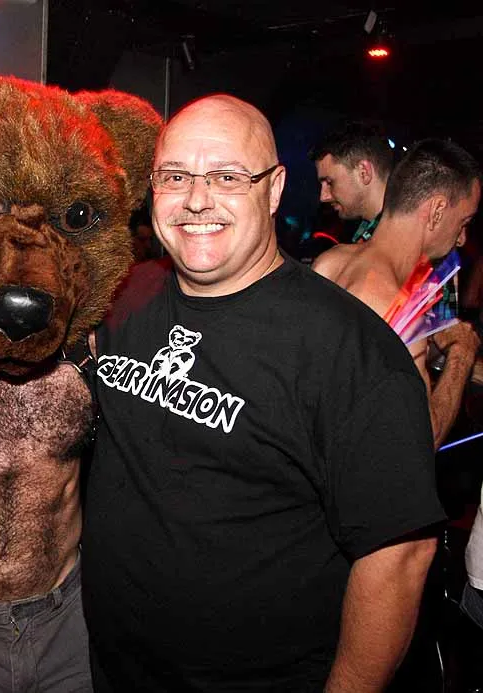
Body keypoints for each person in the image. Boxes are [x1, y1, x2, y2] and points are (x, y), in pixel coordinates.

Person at [83, 95, 445, 692]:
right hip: (114, 669)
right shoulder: (125, 295)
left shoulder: (351, 352)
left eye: (227, 177)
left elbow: (399, 558)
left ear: (274, 190)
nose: (196, 200)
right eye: (175, 176)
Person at [312, 139, 482, 448]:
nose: (461, 239)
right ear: (437, 211)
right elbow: (421, 440)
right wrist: (463, 352)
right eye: (463, 222)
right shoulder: (403, 315)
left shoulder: (329, 262)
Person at [310, 120, 394, 242]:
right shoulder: (368, 235)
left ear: (363, 172)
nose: (323, 197)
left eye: (329, 182)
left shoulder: (402, 239)